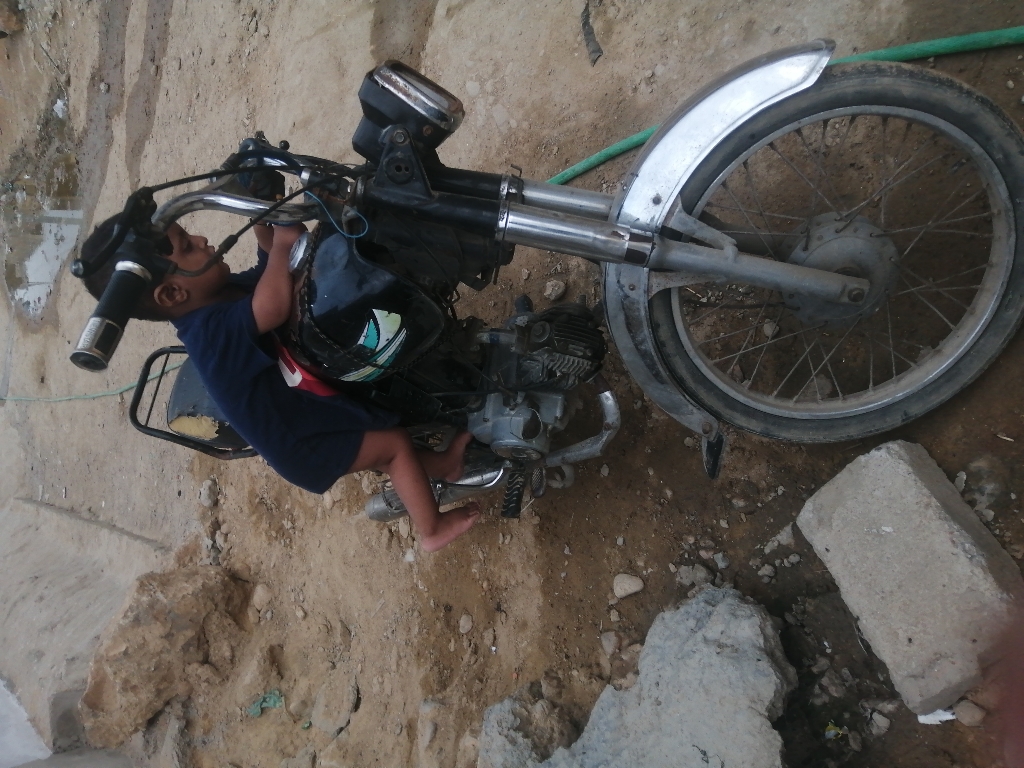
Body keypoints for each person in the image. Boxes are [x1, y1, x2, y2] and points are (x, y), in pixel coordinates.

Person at [79, 215, 480, 551]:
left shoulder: (219, 295)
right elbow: (272, 306)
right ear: (172, 293)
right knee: (393, 447)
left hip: (305, 417)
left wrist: (265, 225)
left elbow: (271, 275)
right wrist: (284, 243)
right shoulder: (208, 335)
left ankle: (445, 467)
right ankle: (431, 529)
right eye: (187, 247)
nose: (201, 240)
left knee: (385, 445)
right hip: (302, 443)